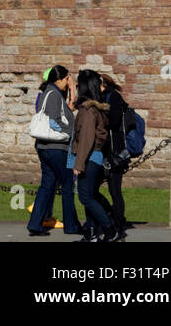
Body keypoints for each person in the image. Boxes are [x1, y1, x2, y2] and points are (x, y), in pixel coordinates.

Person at [26, 64, 81, 236]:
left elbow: (66, 110)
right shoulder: (54, 95)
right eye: (67, 79)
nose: (68, 82)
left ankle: (35, 224)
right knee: (66, 184)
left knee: (47, 184)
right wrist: (67, 131)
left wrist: (71, 89)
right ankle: (71, 226)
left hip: (45, 147)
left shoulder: (49, 93)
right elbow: (54, 120)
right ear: (59, 79)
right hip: (55, 148)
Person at [70, 68, 119, 242]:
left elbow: (86, 138)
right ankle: (90, 232)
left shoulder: (88, 110)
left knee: (85, 196)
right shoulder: (92, 108)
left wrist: (79, 163)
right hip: (93, 157)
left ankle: (110, 228)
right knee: (90, 194)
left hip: (89, 157)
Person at [100, 71, 129, 234]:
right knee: (90, 190)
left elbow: (115, 121)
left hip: (114, 151)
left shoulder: (114, 97)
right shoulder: (103, 98)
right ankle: (112, 215)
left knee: (114, 189)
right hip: (104, 150)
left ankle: (118, 223)